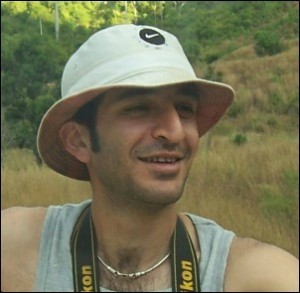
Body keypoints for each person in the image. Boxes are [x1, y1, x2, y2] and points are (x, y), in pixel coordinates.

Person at [1, 24, 298, 293]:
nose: (174, 131)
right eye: (138, 108)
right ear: (79, 140)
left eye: (184, 109)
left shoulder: (253, 276)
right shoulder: (17, 250)